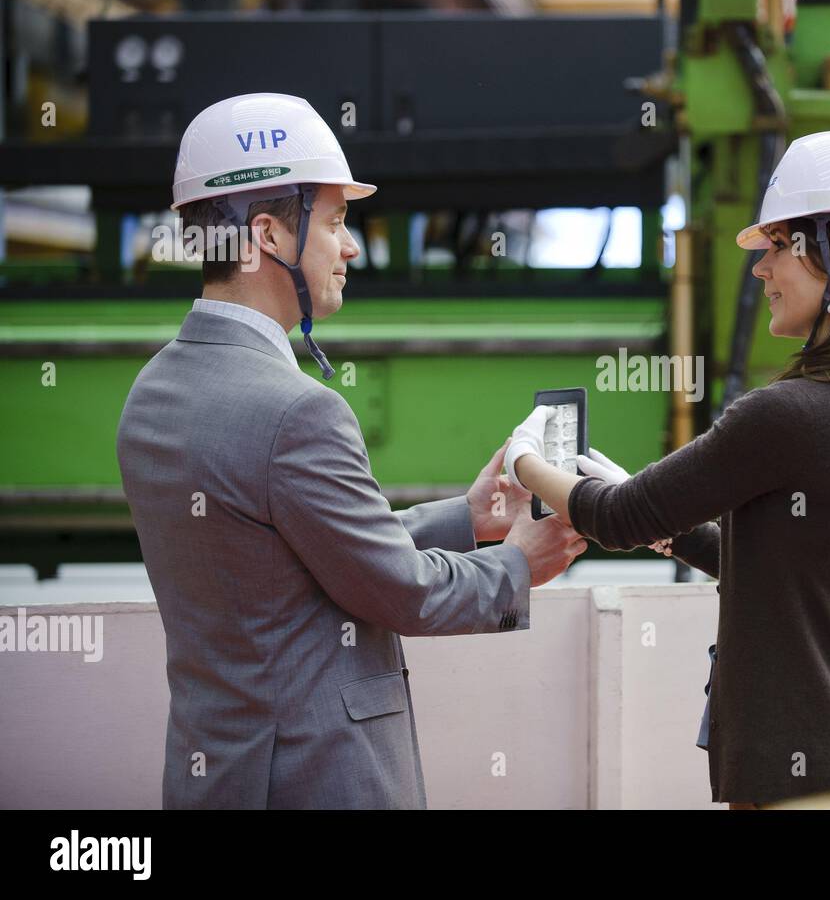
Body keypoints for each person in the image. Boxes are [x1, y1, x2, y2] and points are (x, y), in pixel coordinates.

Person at [116, 92, 585, 809]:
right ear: (267, 234)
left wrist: (468, 517)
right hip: (319, 779)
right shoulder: (298, 410)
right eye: (336, 220)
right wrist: (520, 562)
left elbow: (300, 559)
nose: (352, 244)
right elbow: (402, 590)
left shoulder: (150, 395)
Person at [505, 131, 830, 809]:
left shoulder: (790, 414)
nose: (760, 269)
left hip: (807, 786)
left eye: (777, 248)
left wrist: (526, 459)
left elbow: (618, 517)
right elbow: (806, 575)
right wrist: (674, 524)